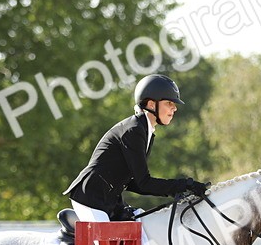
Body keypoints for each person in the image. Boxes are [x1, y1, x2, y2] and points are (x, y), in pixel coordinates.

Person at [63, 74, 209, 222]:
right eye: (169, 103)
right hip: (91, 198)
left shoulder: (146, 131)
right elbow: (143, 183)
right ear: (151, 104)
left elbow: (134, 183)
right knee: (105, 244)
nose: (174, 108)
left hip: (111, 201)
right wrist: (183, 185)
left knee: (144, 227)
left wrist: (181, 188)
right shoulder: (133, 130)